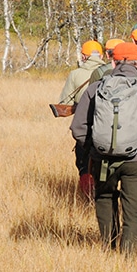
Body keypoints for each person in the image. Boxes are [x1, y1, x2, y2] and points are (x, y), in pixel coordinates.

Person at [70, 41, 137, 257]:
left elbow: (78, 129)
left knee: (105, 201)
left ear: (112, 61)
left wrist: (95, 148)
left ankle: (109, 251)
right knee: (134, 211)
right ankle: (129, 258)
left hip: (101, 159)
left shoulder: (95, 88)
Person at [58, 40, 106, 196]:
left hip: (84, 127)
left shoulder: (75, 74)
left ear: (84, 56)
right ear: (102, 55)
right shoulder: (110, 71)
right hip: (107, 127)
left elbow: (65, 103)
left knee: (84, 164)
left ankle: (87, 198)